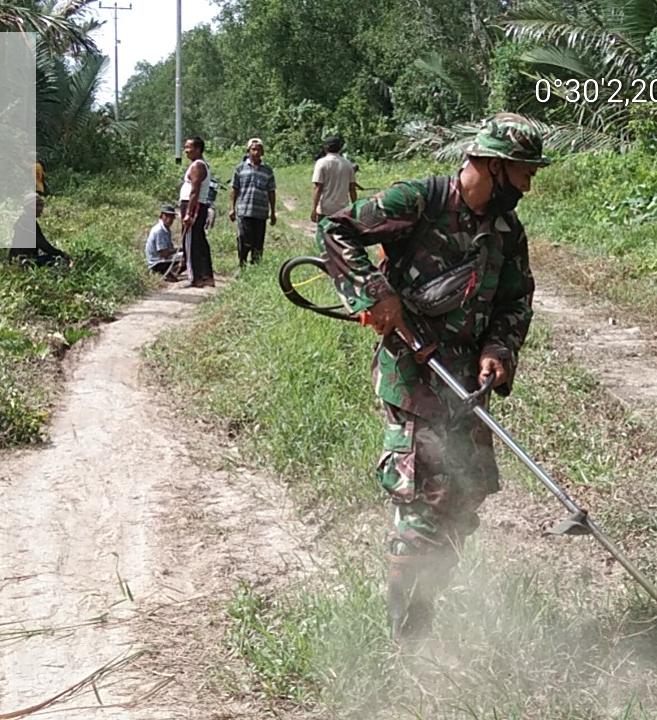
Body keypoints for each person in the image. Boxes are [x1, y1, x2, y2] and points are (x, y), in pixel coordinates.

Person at [315, 113, 549, 640]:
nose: (529, 184)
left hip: (466, 384)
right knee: (424, 500)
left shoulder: (508, 231)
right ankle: (409, 638)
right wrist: (377, 294)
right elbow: (335, 228)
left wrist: (498, 350)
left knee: (464, 496)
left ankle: (430, 608)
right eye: (523, 171)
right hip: (414, 378)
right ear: (491, 165)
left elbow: (516, 300)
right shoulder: (419, 201)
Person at [228, 138, 276, 271]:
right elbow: (234, 189)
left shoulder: (267, 170)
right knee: (243, 238)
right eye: (253, 149)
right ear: (248, 151)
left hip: (261, 212)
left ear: (262, 152)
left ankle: (256, 267)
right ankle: (241, 265)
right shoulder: (240, 168)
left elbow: (271, 191)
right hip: (244, 210)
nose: (256, 152)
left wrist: (273, 212)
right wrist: (232, 208)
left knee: (258, 241)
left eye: (259, 150)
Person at [179, 136, 215, 288]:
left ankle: (195, 278)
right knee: (199, 240)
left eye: (189, 147)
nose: (186, 150)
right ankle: (206, 276)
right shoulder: (199, 165)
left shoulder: (197, 166)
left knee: (191, 242)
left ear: (198, 149)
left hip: (193, 206)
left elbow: (194, 191)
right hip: (196, 205)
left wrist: (188, 213)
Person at [9, 193, 71, 267]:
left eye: (41, 205)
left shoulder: (22, 220)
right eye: (37, 205)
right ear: (28, 207)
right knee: (57, 259)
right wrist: (62, 254)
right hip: (25, 261)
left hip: (16, 259)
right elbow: (43, 245)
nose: (40, 208)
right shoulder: (29, 222)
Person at [311, 135, 357, 223]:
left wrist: (314, 209)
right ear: (340, 148)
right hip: (342, 209)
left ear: (325, 148)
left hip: (325, 209)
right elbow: (352, 189)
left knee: (323, 235)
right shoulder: (348, 164)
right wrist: (355, 208)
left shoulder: (321, 163)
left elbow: (318, 188)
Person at [145, 203, 183, 280]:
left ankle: (170, 272)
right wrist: (180, 249)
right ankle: (167, 273)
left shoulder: (166, 229)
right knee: (186, 257)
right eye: (166, 216)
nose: (169, 219)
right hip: (157, 262)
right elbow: (164, 253)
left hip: (161, 259)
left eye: (171, 217)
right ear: (161, 216)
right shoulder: (159, 230)